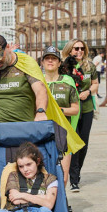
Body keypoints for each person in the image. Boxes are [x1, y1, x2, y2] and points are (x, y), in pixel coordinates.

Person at [62, 39, 98, 192]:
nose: (79, 51)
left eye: (82, 48)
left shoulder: (89, 66)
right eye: (76, 48)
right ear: (70, 50)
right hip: (70, 109)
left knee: (83, 142)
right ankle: (74, 179)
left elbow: (95, 83)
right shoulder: (64, 66)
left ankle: (77, 171)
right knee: (73, 143)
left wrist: (88, 91)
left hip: (87, 107)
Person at [41, 46, 80, 188]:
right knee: (44, 176)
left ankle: (62, 205)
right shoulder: (37, 83)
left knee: (63, 177)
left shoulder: (68, 81)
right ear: (43, 62)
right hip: (43, 134)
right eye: (47, 58)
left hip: (63, 134)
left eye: (54, 58)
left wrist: (59, 111)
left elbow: (75, 109)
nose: (50, 61)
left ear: (59, 63)